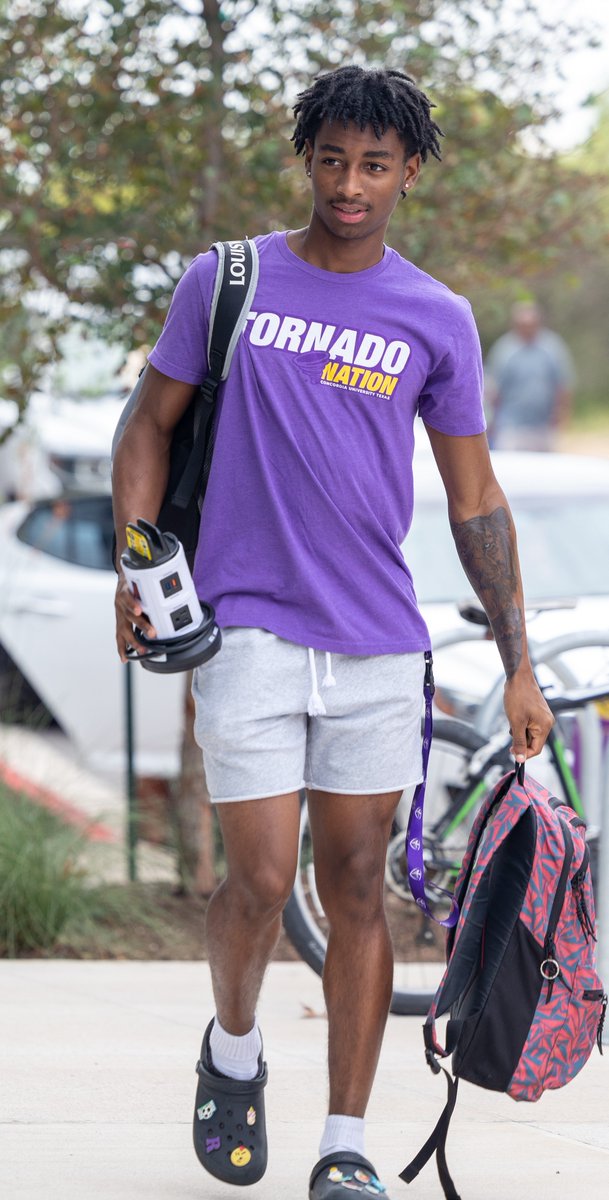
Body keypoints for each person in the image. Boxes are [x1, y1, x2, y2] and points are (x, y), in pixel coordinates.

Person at [112, 66, 553, 1200]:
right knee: (260, 881)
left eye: (374, 165)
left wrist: (516, 664)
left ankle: (345, 1144)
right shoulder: (230, 280)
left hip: (376, 644)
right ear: (306, 159)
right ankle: (235, 1049)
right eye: (331, 160)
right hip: (245, 627)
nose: (349, 185)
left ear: (409, 172)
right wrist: (137, 555)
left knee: (358, 886)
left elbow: (474, 502)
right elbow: (146, 426)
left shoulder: (437, 317)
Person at [484, 300, 575, 451]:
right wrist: (491, 421)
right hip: (511, 426)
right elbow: (493, 390)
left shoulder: (552, 347)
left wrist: (563, 414)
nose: (528, 329)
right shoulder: (504, 350)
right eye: (523, 325)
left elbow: (563, 383)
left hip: (544, 426)